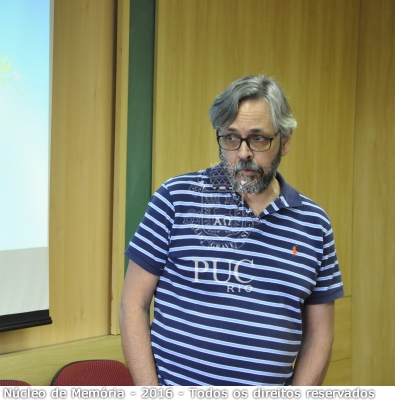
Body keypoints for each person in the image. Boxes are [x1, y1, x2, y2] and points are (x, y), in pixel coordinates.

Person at [119, 75, 344, 386]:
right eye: (230, 138)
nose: (243, 153)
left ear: (285, 141)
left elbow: (320, 333)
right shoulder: (176, 198)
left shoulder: (314, 224)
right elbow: (133, 304)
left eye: (258, 138)